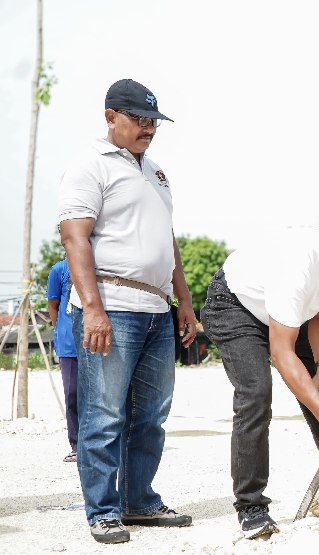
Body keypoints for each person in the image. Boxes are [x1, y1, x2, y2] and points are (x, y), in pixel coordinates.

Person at [200, 200, 319, 539]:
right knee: (256, 393)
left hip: (295, 316)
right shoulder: (298, 261)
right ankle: (251, 507)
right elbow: (282, 352)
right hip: (235, 305)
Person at [58, 78, 196, 544]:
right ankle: (102, 510)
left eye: (154, 120)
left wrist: (184, 300)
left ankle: (139, 501)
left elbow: (167, 238)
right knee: (104, 414)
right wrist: (92, 310)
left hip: (157, 307)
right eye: (139, 119)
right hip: (111, 305)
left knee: (152, 414)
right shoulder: (89, 167)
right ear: (109, 116)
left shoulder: (157, 172)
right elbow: (75, 238)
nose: (148, 128)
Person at [47, 258, 78, 463]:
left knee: (101, 397)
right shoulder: (59, 269)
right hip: (69, 344)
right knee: (72, 394)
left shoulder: (101, 265)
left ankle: (101, 444)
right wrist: (61, 331)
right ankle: (77, 446)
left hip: (98, 342)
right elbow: (53, 304)